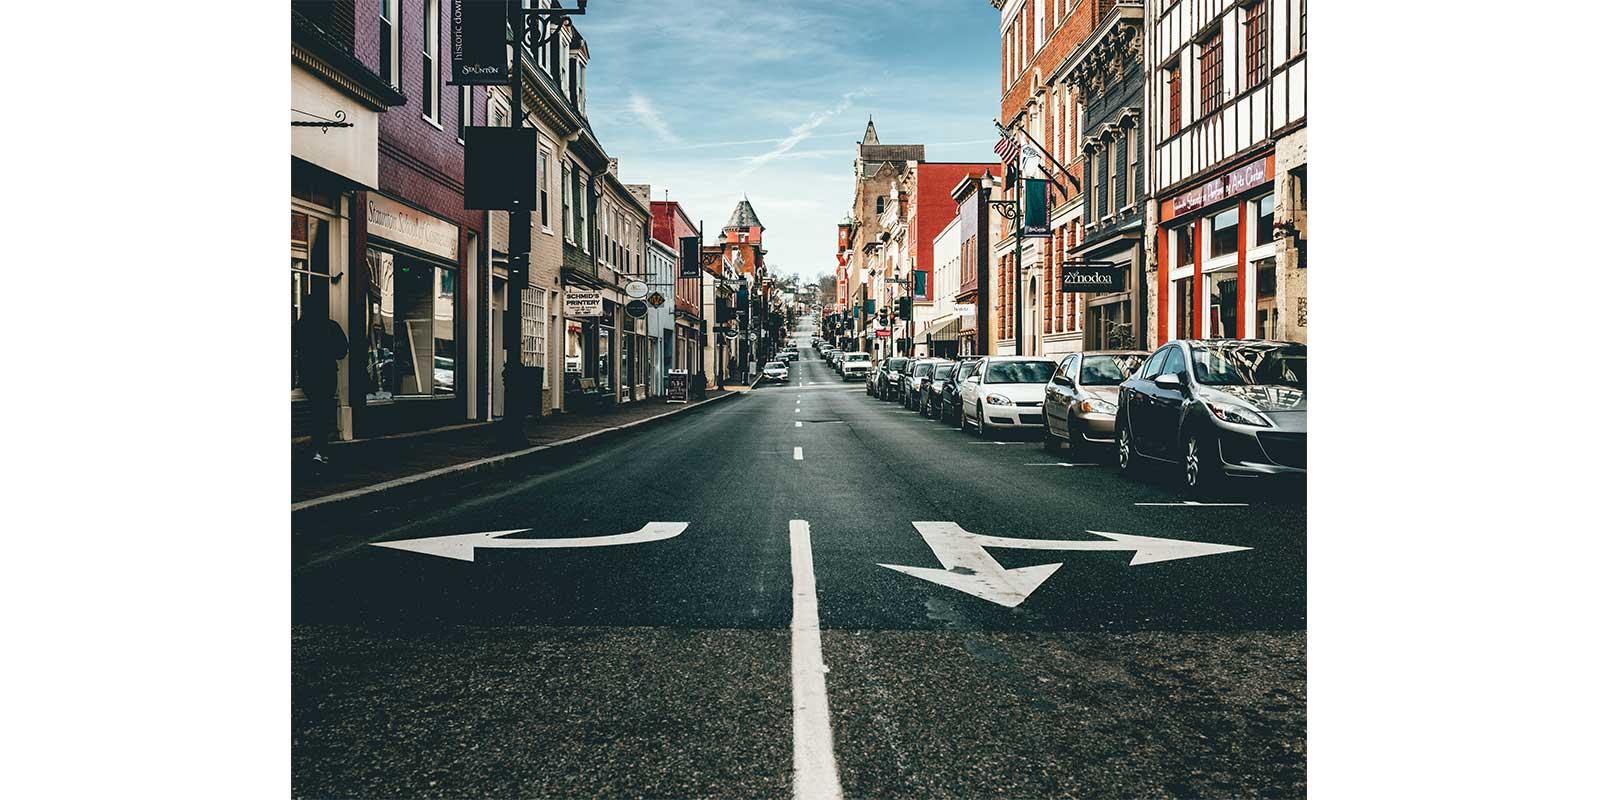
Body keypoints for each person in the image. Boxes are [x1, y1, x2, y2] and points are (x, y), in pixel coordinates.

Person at [293, 315, 348, 464]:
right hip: (327, 372)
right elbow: (342, 351)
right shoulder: (331, 326)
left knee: (315, 409)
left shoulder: (300, 326)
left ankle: (317, 448)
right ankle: (320, 448)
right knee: (323, 410)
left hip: (308, 373)